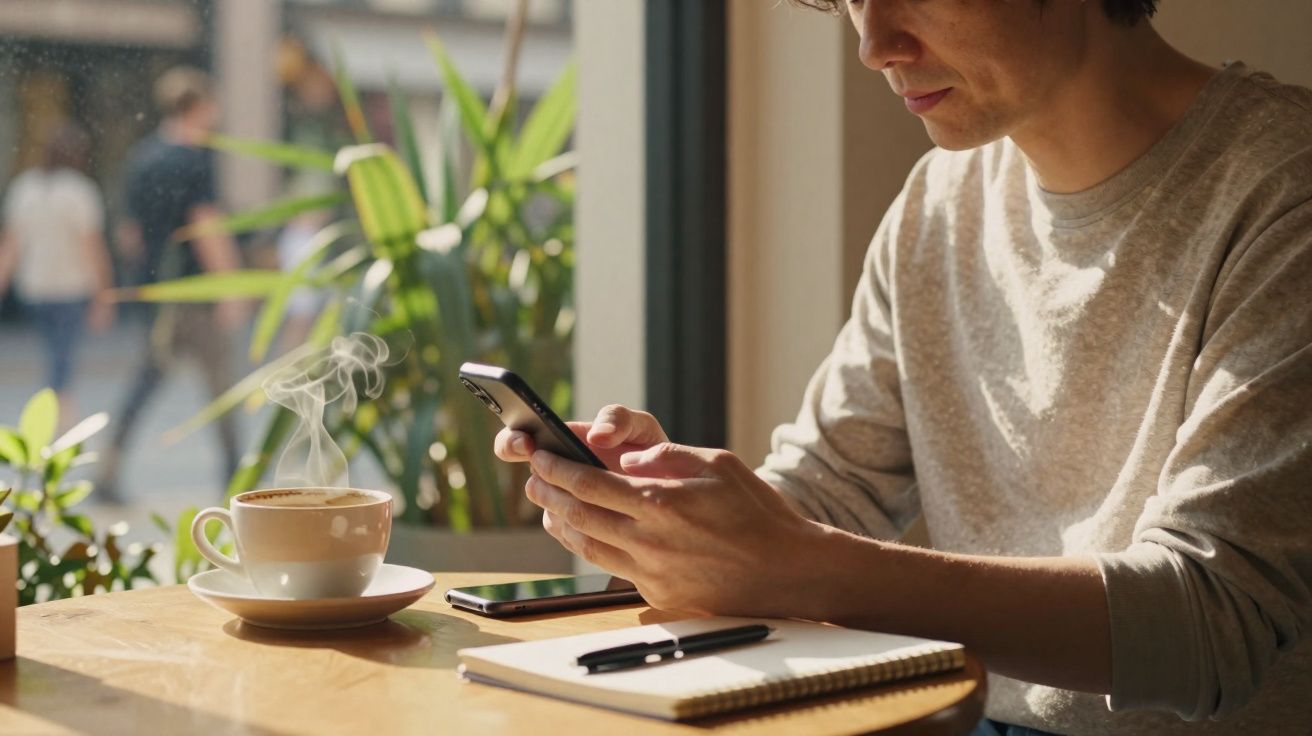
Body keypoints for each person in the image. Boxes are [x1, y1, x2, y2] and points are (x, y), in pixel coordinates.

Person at [494, 1, 1312, 734]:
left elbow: (1214, 622)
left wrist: (801, 566)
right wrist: (663, 513)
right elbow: (828, 493)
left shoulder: (1284, 191)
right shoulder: (942, 202)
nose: (874, 44)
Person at [98, 67, 244, 501]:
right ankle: (239, 481)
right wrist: (231, 287)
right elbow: (206, 226)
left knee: (145, 382)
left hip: (157, 295)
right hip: (195, 295)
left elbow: (129, 234)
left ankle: (108, 469)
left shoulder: (142, 158)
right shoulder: (195, 160)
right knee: (224, 390)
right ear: (198, 106)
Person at [0, 122, 115, 427]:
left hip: (35, 286)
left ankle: (60, 407)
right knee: (62, 353)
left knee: (56, 349)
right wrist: (104, 294)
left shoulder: (24, 188)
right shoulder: (79, 191)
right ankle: (59, 411)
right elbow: (92, 246)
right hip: (69, 285)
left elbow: (11, 244)